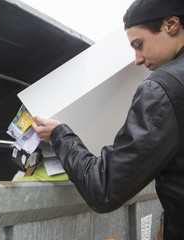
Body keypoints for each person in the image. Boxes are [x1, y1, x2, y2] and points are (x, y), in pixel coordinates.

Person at [31, 0, 184, 239]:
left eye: (139, 44)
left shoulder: (162, 89)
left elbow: (103, 188)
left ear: (171, 24)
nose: (138, 59)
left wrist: (59, 134)